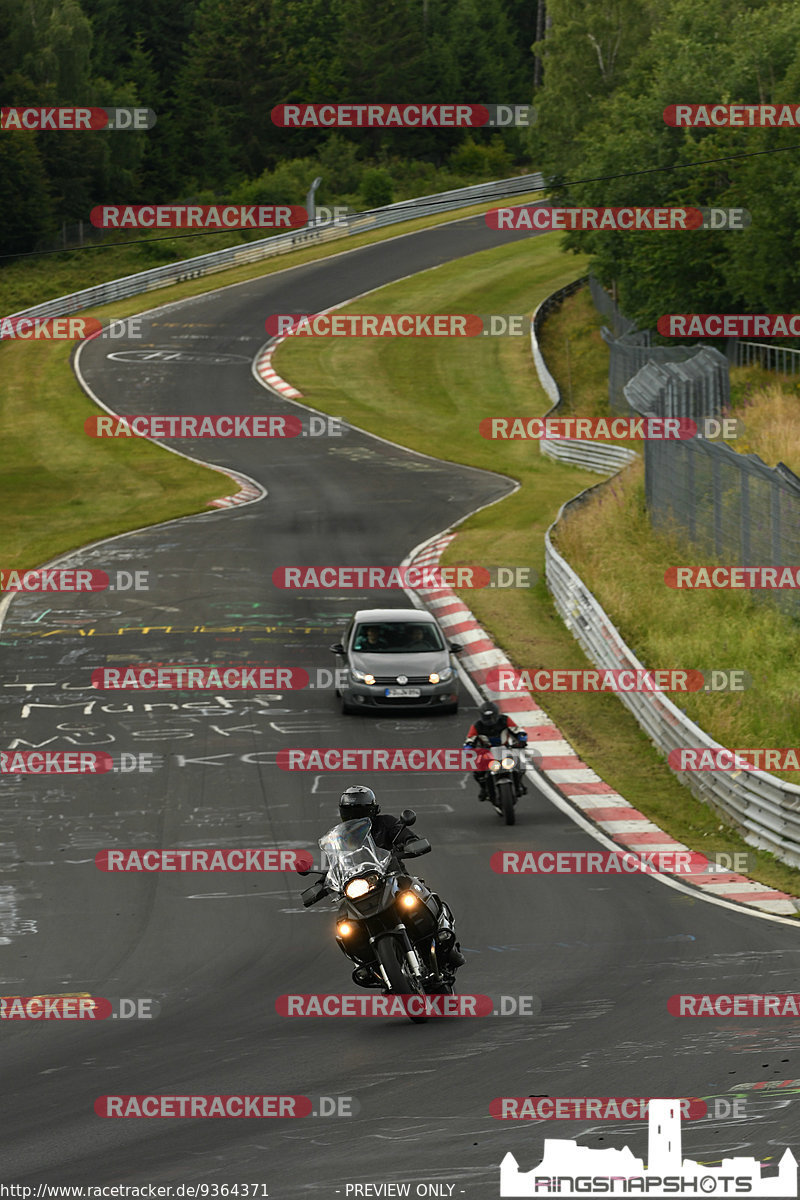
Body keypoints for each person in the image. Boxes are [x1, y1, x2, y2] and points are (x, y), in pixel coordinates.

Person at [336, 785, 466, 969]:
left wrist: (410, 842)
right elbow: (334, 864)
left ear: (372, 810)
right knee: (344, 923)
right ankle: (367, 965)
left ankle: (442, 934)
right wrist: (322, 882)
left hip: (392, 878)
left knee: (416, 893)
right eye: (350, 811)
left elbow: (404, 834)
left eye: (360, 810)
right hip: (361, 889)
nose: (356, 816)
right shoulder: (341, 837)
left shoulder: (386, 823)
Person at [464, 700, 528, 802]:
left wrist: (521, 740)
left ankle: (519, 784)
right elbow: (469, 740)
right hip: (487, 751)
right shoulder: (477, 726)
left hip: (505, 748)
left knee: (520, 765)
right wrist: (468, 750)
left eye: (492, 717)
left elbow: (518, 731)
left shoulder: (505, 720)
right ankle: (484, 789)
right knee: (478, 770)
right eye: (487, 718)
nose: (490, 720)